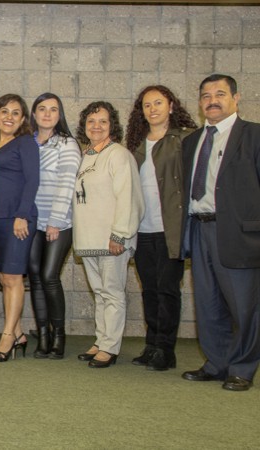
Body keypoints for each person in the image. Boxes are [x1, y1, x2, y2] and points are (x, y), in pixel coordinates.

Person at [180, 74, 260, 391]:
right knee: (208, 303)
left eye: (220, 94)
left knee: (244, 307)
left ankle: (242, 366)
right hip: (200, 230)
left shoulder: (253, 136)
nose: (212, 100)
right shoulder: (191, 142)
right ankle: (216, 363)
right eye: (206, 95)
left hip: (239, 234)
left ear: (236, 98)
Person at [125, 85, 197, 371]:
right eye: (146, 105)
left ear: (171, 106)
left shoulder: (186, 139)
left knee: (168, 289)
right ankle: (152, 344)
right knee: (149, 289)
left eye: (158, 103)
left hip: (171, 228)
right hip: (142, 229)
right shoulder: (137, 144)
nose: (152, 109)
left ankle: (166, 350)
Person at [73, 101, 144, 368]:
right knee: (100, 293)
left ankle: (110, 347)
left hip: (112, 239)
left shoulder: (119, 155)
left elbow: (129, 197)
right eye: (91, 122)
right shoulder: (86, 155)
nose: (96, 126)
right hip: (89, 238)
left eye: (102, 121)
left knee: (112, 293)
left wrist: (120, 234)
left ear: (112, 125)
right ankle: (102, 340)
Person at [0, 94, 40, 362]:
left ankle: (7, 337)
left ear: (23, 119)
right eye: (4, 111)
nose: (9, 117)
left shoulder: (26, 143)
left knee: (14, 277)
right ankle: (18, 333)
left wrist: (22, 215)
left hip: (17, 219)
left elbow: (32, 181)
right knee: (3, 278)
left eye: (16, 113)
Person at [27, 93, 81, 359]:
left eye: (53, 109)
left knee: (49, 276)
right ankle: (43, 336)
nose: (47, 114)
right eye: (42, 109)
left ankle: (59, 337)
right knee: (35, 277)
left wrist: (55, 221)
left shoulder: (67, 144)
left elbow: (67, 183)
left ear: (59, 115)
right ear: (34, 114)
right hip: (31, 222)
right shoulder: (27, 143)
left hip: (59, 223)